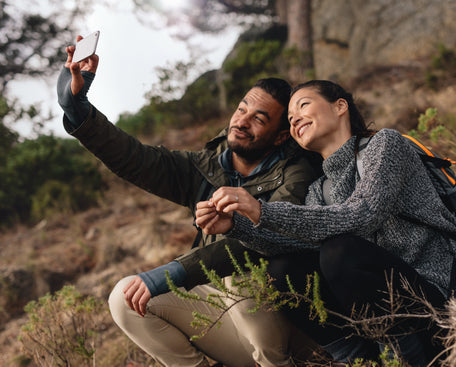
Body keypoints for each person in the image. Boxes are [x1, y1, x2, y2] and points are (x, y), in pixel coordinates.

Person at [56, 36, 321, 367]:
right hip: (231, 321)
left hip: (295, 329)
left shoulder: (299, 174)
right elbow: (134, 159)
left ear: (281, 135)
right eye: (242, 109)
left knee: (238, 269)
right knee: (125, 297)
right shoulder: (206, 168)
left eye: (259, 118)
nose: (242, 121)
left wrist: (174, 271)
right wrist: (77, 109)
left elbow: (259, 243)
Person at [196, 80, 456, 366]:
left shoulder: (385, 145)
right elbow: (296, 244)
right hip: (386, 318)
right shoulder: (319, 188)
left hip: (440, 303)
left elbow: (363, 213)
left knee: (339, 252)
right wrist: (236, 226)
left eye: (303, 105)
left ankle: (405, 357)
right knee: (282, 269)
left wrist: (262, 210)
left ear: (340, 106)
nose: (295, 119)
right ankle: (355, 358)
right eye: (290, 119)